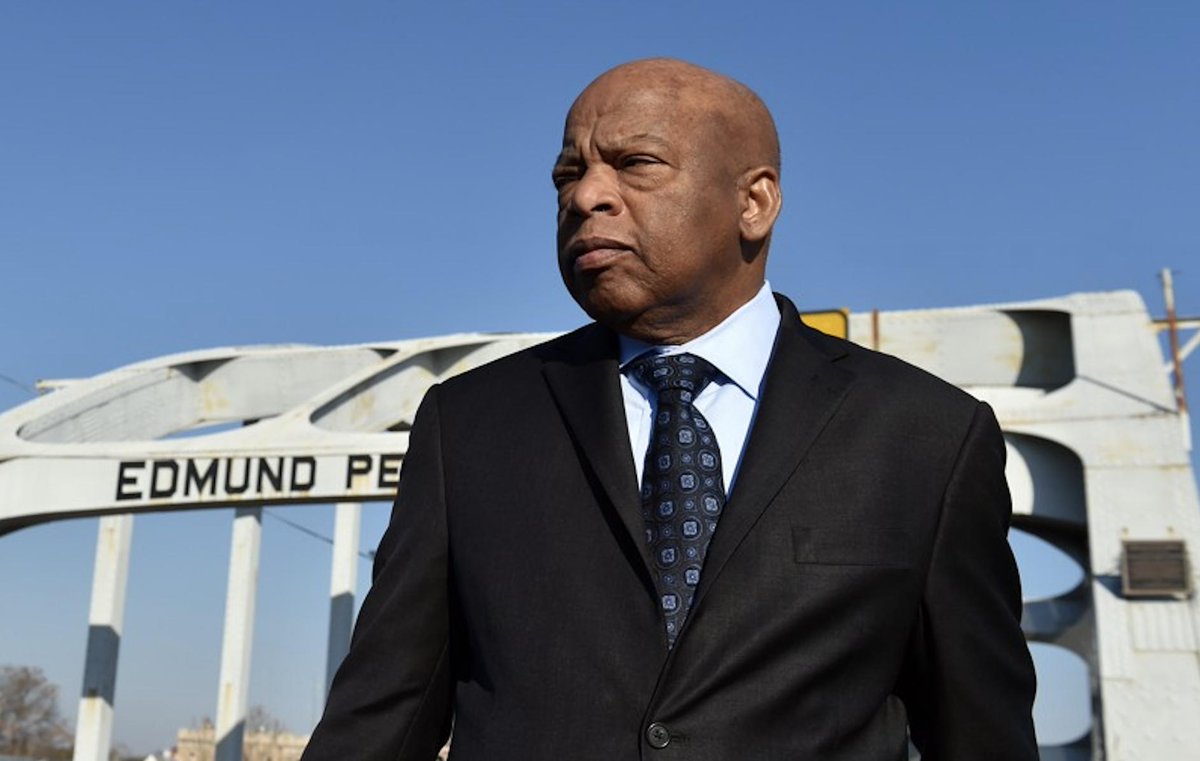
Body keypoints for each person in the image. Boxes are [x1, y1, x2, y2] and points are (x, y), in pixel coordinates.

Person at [301, 58, 1038, 761]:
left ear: (754, 202)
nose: (585, 196)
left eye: (635, 164)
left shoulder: (926, 438)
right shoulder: (467, 428)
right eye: (568, 174)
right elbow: (381, 719)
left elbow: (981, 735)